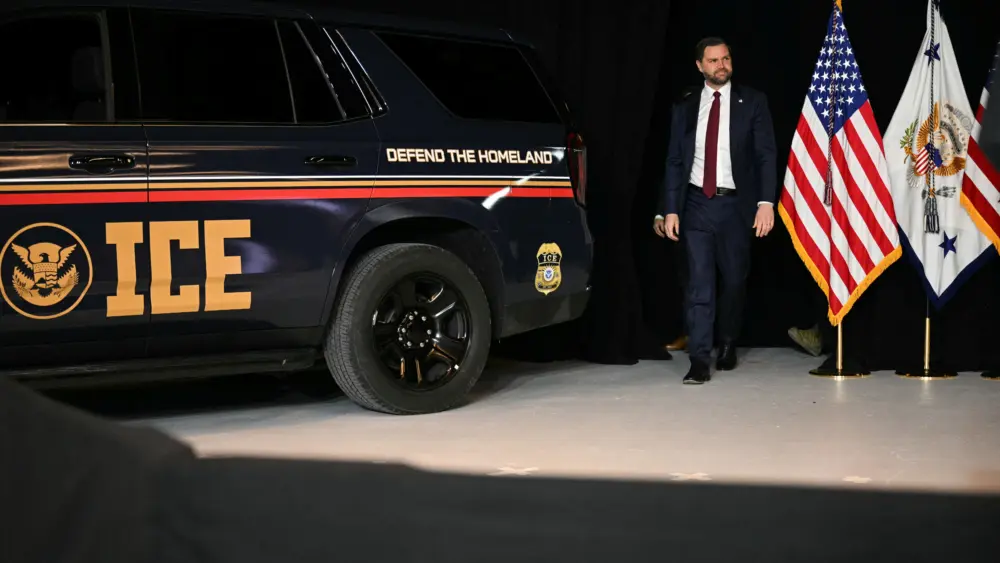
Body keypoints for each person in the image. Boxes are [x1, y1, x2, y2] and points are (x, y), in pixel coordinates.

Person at [656, 36, 777, 385]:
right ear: (700, 66)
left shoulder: (752, 101)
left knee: (735, 280)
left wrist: (765, 203)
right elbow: (675, 161)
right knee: (699, 284)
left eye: (725, 59)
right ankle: (698, 359)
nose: (721, 65)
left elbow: (766, 155)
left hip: (736, 205)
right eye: (713, 61)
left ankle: (727, 342)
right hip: (696, 205)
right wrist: (670, 209)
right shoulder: (686, 104)